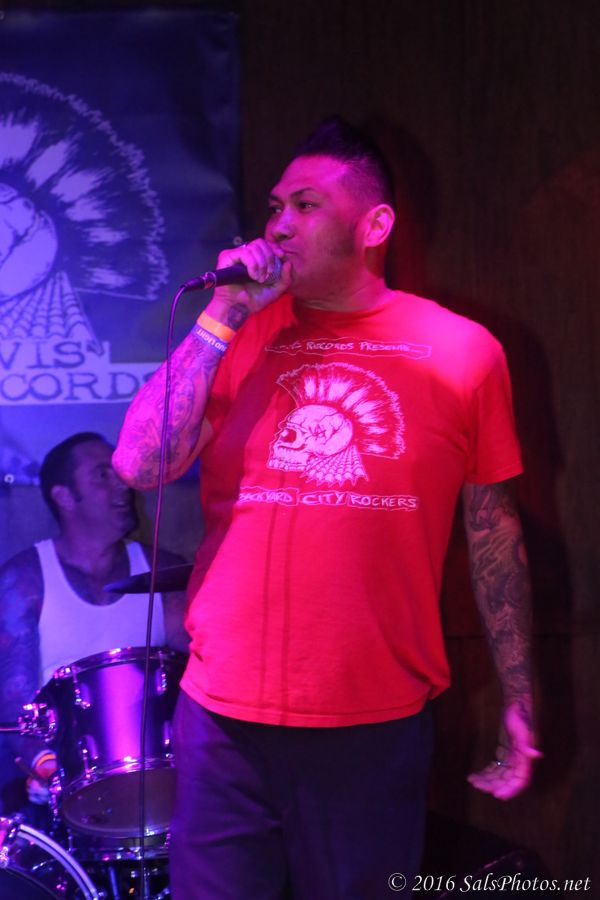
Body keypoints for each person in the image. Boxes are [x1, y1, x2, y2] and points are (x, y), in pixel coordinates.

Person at [113, 117, 541, 900]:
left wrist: (519, 693)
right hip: (223, 716)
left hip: (370, 725)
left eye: (306, 205)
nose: (279, 224)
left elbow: (494, 535)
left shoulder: (464, 352)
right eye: (276, 206)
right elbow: (138, 464)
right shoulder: (241, 335)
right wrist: (222, 316)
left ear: (374, 226)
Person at [0, 431, 189, 818]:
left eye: (121, 472)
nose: (123, 484)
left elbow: (201, 676)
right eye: (103, 474)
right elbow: (14, 706)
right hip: (67, 786)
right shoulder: (24, 581)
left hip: (160, 782)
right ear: (64, 496)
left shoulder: (164, 571)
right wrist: (49, 769)